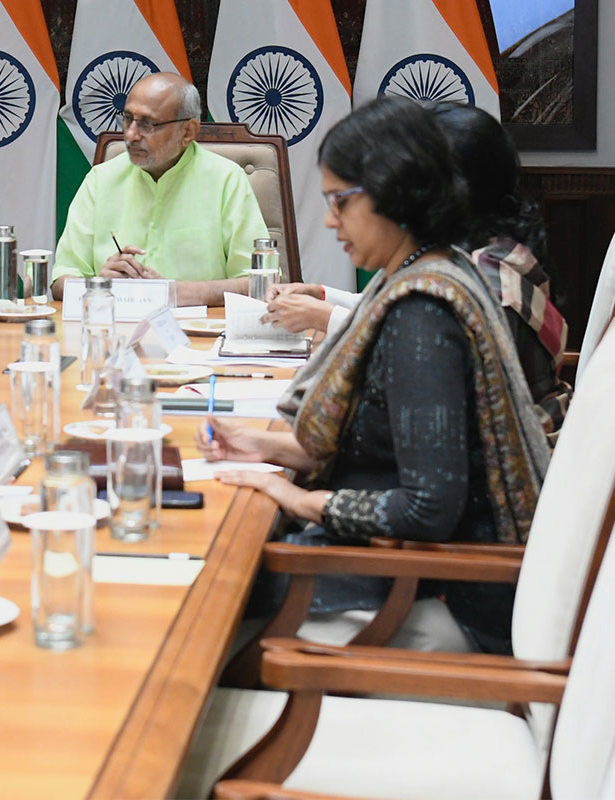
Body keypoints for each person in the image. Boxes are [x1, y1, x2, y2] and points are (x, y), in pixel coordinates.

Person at [202, 97, 551, 653]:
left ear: (395, 193)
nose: (329, 220)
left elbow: (427, 508)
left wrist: (292, 497)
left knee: (201, 605)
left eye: (341, 201)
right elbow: (384, 448)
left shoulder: (422, 315)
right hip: (400, 569)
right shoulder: (429, 268)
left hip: (434, 593)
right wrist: (262, 446)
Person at [265, 103, 570, 430]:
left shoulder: (482, 280)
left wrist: (323, 316)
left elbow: (434, 406)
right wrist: (323, 295)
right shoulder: (469, 252)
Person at [51, 73, 269, 306]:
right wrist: (100, 285)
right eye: (127, 118)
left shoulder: (226, 179)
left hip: (196, 326)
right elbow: (61, 280)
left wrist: (173, 292)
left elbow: (260, 282)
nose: (131, 134)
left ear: (188, 132)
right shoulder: (101, 179)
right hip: (114, 323)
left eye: (147, 124)